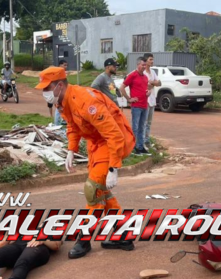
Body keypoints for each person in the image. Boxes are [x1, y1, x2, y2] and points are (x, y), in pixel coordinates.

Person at [36, 66, 136, 259]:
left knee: (93, 190)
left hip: (113, 142)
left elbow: (113, 134)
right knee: (102, 193)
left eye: (46, 88)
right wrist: (71, 150)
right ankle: (123, 235)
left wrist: (114, 167)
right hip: (97, 144)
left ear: (59, 85)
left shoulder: (86, 101)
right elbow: (73, 126)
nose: (44, 93)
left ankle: (84, 239)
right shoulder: (62, 101)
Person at [122, 57, 150, 155]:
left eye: (145, 65)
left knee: (142, 127)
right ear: (138, 65)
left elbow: (146, 88)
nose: (144, 67)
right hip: (136, 106)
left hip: (144, 105)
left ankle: (140, 147)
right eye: (143, 65)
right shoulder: (132, 75)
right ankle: (133, 147)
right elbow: (122, 87)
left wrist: (148, 92)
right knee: (135, 127)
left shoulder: (145, 77)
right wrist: (129, 99)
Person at [143, 53, 162, 149]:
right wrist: (153, 83)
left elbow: (159, 83)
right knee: (144, 122)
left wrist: (151, 82)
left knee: (149, 123)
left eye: (152, 59)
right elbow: (144, 85)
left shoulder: (153, 72)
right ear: (146, 61)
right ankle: (141, 143)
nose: (152, 61)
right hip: (144, 100)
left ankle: (147, 141)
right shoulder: (142, 72)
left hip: (152, 100)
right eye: (150, 59)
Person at [47, 59, 69, 125]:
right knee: (56, 107)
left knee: (60, 108)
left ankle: (61, 120)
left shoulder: (63, 73)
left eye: (66, 65)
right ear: (60, 65)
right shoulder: (56, 72)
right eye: (64, 65)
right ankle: (56, 122)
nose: (66, 67)